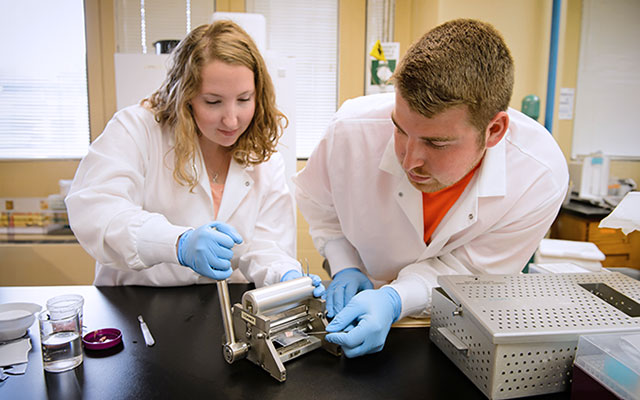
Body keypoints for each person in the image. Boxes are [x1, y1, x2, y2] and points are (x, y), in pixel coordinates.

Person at [294, 19, 568, 357]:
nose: (409, 161)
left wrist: (395, 299)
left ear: (494, 130)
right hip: (358, 305)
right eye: (399, 130)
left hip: (455, 321)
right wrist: (344, 263)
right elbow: (320, 207)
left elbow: (469, 272)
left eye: (437, 143)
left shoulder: (538, 176)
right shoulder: (350, 132)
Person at [66, 20, 323, 295]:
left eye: (244, 99)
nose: (232, 119)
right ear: (186, 96)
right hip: (135, 301)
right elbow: (96, 211)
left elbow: (264, 246)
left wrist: (286, 275)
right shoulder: (137, 130)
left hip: (221, 304)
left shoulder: (262, 156)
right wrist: (177, 243)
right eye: (213, 101)